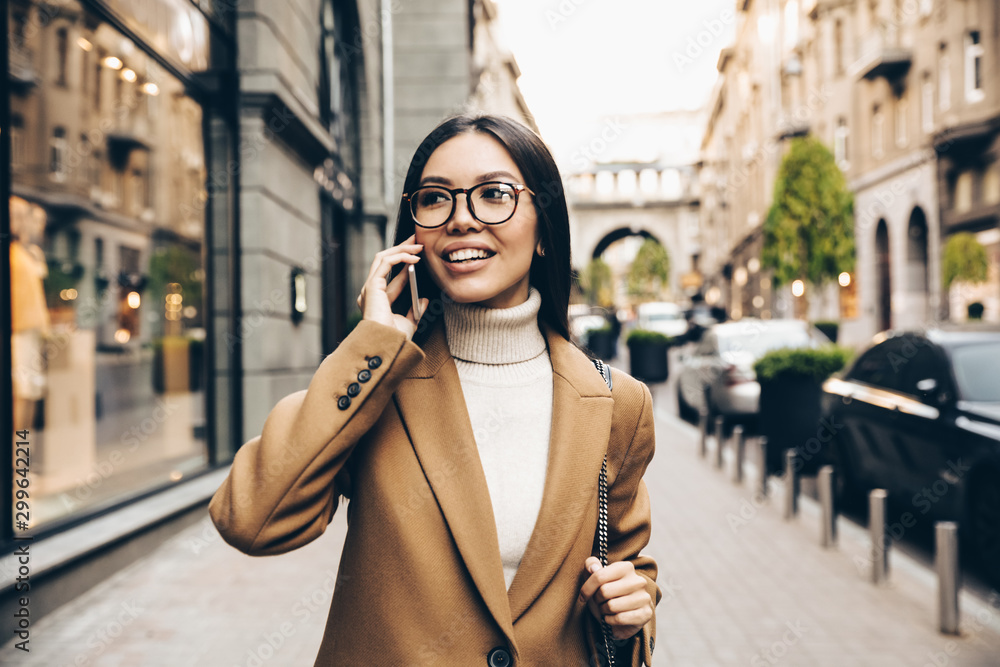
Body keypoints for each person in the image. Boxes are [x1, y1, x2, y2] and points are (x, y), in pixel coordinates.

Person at [210, 113, 661, 666]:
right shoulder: (379, 381)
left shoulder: (618, 403)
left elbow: (627, 564)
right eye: (435, 198)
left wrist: (632, 606)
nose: (462, 219)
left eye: (494, 195)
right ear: (413, 232)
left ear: (543, 227)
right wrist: (372, 345)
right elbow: (252, 518)